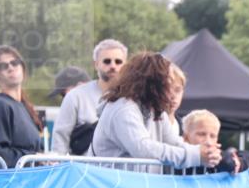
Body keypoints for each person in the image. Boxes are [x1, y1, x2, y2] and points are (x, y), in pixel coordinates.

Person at [91, 53, 220, 169]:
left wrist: (207, 153)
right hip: (113, 185)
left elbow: (174, 143)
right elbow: (143, 149)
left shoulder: (155, 109)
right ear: (152, 84)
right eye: (166, 83)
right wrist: (196, 155)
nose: (170, 92)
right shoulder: (123, 109)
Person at [51, 39, 127, 155]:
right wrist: (58, 162)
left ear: (126, 65)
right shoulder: (75, 96)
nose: (113, 66)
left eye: (118, 62)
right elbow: (60, 138)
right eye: (107, 61)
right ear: (96, 64)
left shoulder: (133, 97)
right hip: (84, 165)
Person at [0, 45, 42, 167]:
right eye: (3, 66)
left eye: (15, 63)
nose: (11, 68)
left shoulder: (24, 107)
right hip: (11, 178)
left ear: (22, 67)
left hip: (30, 176)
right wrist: (34, 159)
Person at [181, 109, 249, 174]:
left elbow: (247, 157)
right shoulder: (175, 157)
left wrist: (227, 161)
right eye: (201, 134)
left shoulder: (219, 159)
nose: (208, 141)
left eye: (213, 136)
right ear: (185, 137)